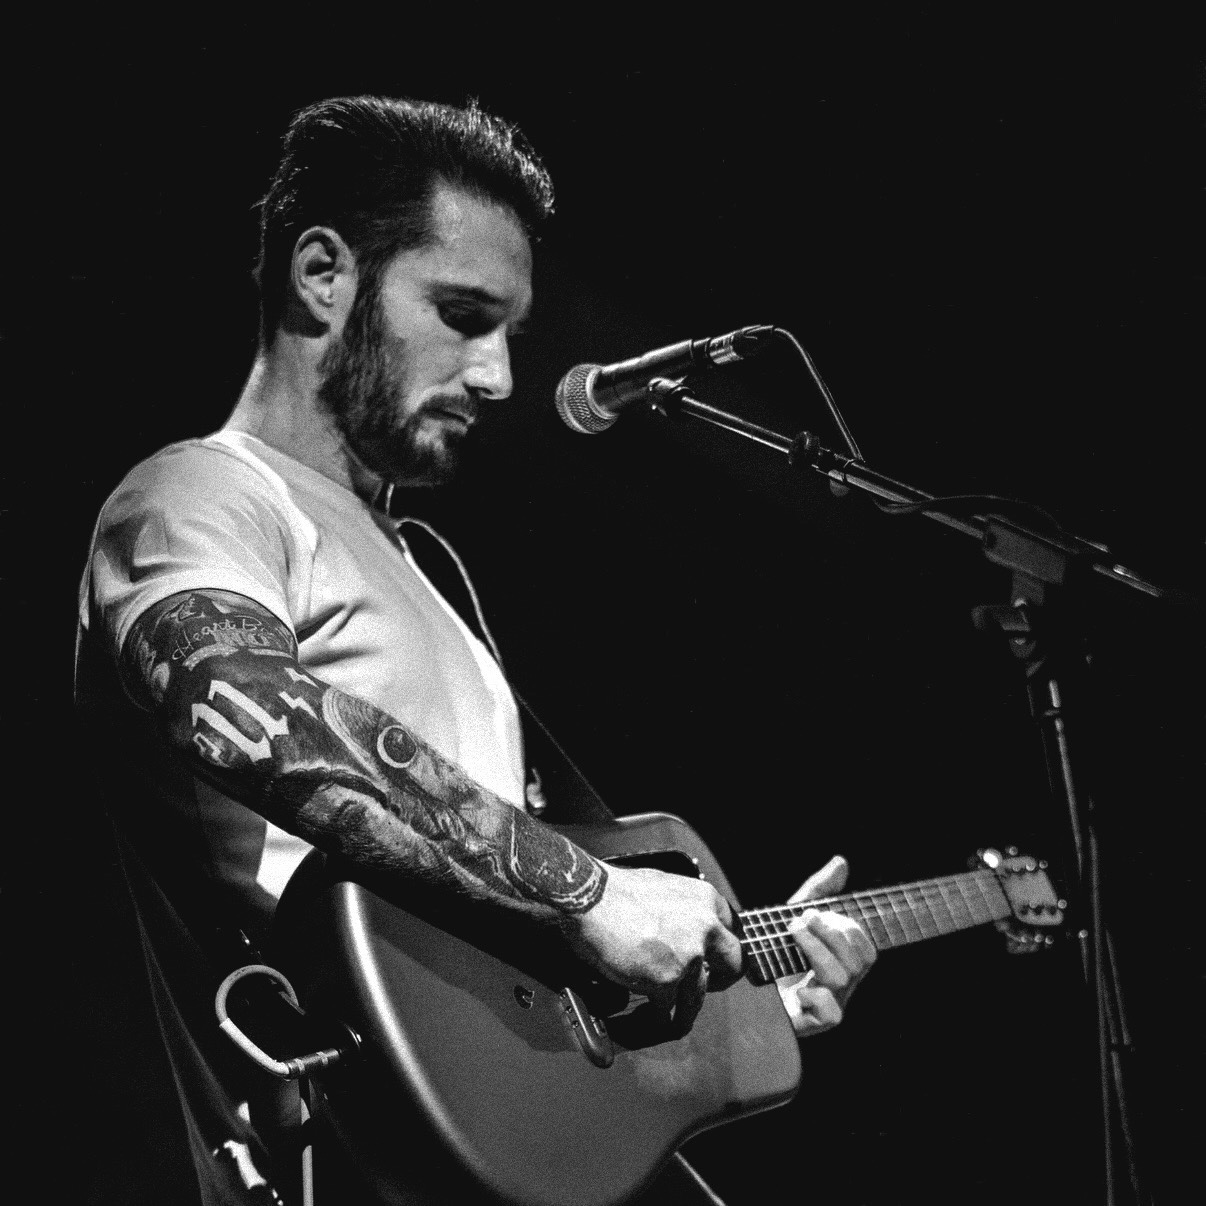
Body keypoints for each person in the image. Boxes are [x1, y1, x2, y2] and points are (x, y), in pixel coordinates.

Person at [74, 94, 877, 1204]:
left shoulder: (425, 566)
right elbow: (241, 703)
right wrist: (592, 894)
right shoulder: (206, 493)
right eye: (462, 314)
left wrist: (745, 1017)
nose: (498, 376)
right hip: (325, 1161)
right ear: (323, 274)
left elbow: (502, 981)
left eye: (510, 333)